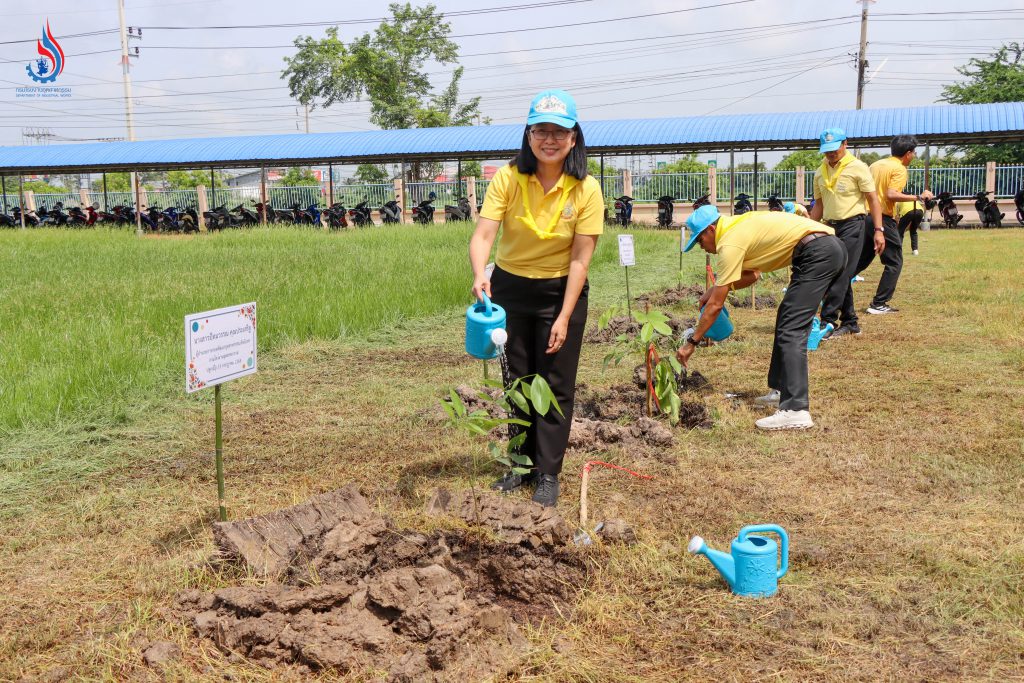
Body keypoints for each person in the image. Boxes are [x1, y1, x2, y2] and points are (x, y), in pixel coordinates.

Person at [469, 89, 604, 507]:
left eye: (559, 132)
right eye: (541, 131)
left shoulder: (586, 189)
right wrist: (480, 273)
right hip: (511, 289)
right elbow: (484, 234)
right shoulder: (509, 178)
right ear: (528, 135)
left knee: (555, 383)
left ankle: (548, 473)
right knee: (517, 378)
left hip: (561, 291)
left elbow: (581, 259)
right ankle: (521, 465)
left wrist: (563, 316)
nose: (550, 140)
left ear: (573, 138)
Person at [677, 206, 845, 430]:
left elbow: (715, 305)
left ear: (711, 230)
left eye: (700, 241)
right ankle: (781, 391)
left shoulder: (729, 242)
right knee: (786, 318)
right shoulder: (736, 228)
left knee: (792, 328)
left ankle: (796, 409)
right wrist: (716, 289)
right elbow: (752, 275)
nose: (702, 247)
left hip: (818, 252)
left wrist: (692, 342)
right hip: (824, 249)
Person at [810, 128, 883, 339]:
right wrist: (807, 229)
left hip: (853, 225)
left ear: (845, 144)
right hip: (830, 227)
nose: (831, 153)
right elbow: (819, 205)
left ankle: (828, 321)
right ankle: (850, 322)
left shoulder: (858, 167)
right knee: (841, 273)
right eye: (827, 150)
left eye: (835, 148)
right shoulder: (819, 172)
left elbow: (873, 200)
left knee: (841, 273)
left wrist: (878, 230)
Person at [859, 136, 934, 313]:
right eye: (914, 153)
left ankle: (830, 293)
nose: (914, 156)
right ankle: (879, 304)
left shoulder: (875, 165)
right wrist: (918, 197)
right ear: (908, 153)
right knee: (894, 262)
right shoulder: (899, 169)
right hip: (882, 219)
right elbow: (891, 194)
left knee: (860, 261)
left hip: (865, 217)